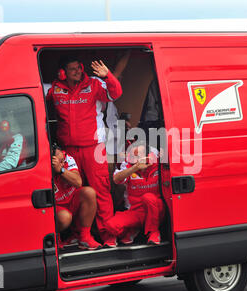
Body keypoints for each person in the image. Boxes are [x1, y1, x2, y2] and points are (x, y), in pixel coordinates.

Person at [46, 57, 123, 247]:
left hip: (94, 148)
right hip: (68, 150)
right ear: (62, 73)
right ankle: (77, 235)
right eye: (71, 69)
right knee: (72, 192)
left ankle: (108, 236)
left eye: (78, 68)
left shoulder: (95, 84)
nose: (77, 72)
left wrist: (108, 76)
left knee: (101, 191)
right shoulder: (55, 89)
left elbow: (115, 94)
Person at [105, 141, 164, 245]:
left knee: (148, 198)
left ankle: (153, 232)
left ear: (148, 155)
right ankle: (134, 229)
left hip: (156, 208)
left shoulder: (158, 164)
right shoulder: (128, 166)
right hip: (136, 211)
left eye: (138, 155)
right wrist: (135, 168)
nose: (135, 158)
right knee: (110, 225)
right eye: (132, 155)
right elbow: (116, 179)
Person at [51, 145, 102, 250]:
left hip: (72, 200)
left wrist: (61, 170)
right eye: (58, 160)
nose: (62, 161)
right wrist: (52, 170)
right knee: (65, 217)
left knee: (89, 192)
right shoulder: (43, 163)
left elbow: (78, 182)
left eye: (62, 159)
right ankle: (56, 239)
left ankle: (85, 237)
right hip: (55, 207)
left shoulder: (67, 158)